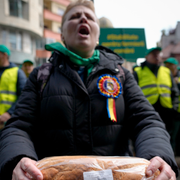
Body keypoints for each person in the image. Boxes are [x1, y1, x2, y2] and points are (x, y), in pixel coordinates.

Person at [0, 1, 178, 180]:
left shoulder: (121, 75)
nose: (83, 18)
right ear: (62, 34)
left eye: (90, 17)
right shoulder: (42, 75)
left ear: (98, 35)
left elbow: (147, 121)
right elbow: (18, 127)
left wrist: (159, 155)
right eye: (75, 16)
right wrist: (19, 158)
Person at [133, 47, 179, 133]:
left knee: (169, 138)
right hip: (147, 111)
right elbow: (133, 94)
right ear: (146, 57)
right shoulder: (138, 72)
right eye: (154, 54)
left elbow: (174, 92)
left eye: (158, 54)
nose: (157, 56)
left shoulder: (166, 71)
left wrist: (174, 108)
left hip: (167, 112)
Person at [0, 44, 26, 130]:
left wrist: (9, 113)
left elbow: (24, 96)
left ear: (4, 55)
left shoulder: (17, 72)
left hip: (8, 121)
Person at [164, 57, 180, 154]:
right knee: (171, 135)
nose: (168, 68)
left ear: (175, 66)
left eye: (170, 66)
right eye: (166, 66)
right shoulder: (167, 76)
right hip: (172, 111)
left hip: (178, 112)